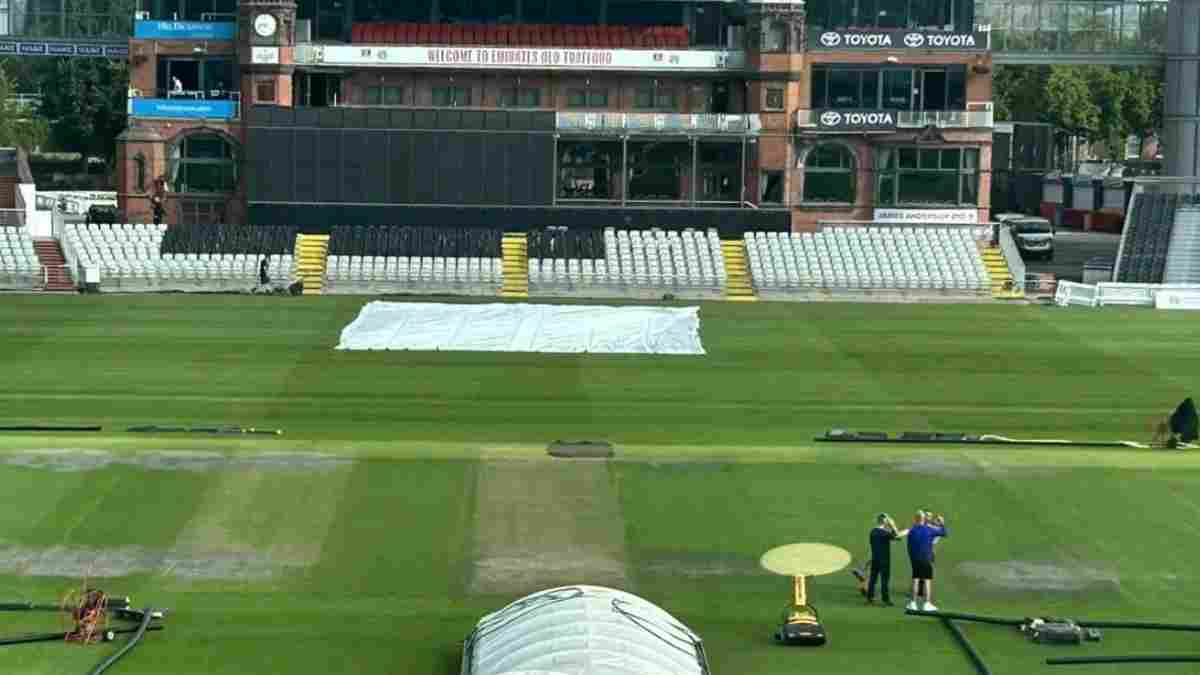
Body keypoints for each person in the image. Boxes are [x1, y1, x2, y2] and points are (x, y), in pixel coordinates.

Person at [907, 511, 947, 612]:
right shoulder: (929, 530)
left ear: (915, 519)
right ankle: (927, 604)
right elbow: (944, 533)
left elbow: (909, 546)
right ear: (924, 519)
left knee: (915, 579)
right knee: (927, 580)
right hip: (926, 558)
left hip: (915, 559)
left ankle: (913, 603)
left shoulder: (912, 531)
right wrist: (942, 523)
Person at [866, 513, 908, 606]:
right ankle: (885, 599)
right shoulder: (884, 533)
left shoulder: (872, 532)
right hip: (884, 560)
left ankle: (870, 597)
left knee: (873, 579)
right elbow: (897, 536)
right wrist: (893, 525)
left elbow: (893, 536)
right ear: (885, 522)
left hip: (875, 559)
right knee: (884, 580)